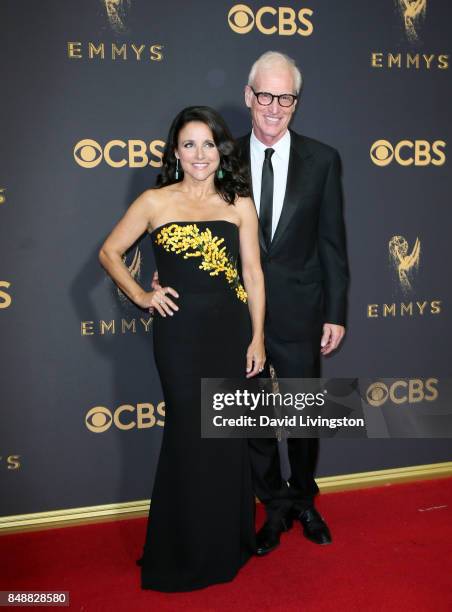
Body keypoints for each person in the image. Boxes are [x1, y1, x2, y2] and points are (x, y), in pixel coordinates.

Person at [98, 106, 266, 591]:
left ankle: (227, 541)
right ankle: (183, 549)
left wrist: (256, 336)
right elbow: (110, 253)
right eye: (189, 144)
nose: (199, 154)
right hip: (180, 337)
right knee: (189, 437)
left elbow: (253, 274)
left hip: (231, 334)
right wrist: (143, 295)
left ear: (221, 151)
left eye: (208, 144)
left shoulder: (239, 203)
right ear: (175, 151)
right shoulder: (154, 202)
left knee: (226, 437)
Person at [236, 51, 349, 555]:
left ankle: (304, 500)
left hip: (303, 311)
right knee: (255, 419)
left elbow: (332, 242)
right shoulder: (221, 159)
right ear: (249, 97)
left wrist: (336, 312)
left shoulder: (322, 159)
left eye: (286, 98)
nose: (275, 107)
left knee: (305, 416)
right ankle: (273, 507)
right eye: (266, 96)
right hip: (241, 316)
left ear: (296, 102)